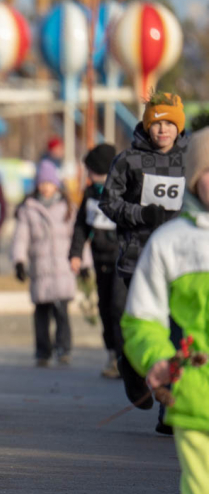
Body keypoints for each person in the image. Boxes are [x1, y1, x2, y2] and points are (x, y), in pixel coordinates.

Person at [121, 127, 209, 494]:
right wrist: (155, 358)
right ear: (195, 178)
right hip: (194, 399)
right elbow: (143, 316)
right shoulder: (171, 242)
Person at [99, 92, 190, 434]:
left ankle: (169, 412)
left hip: (181, 265)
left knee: (177, 337)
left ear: (179, 127)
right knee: (140, 330)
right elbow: (108, 202)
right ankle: (132, 368)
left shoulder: (192, 160)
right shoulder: (129, 160)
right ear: (147, 125)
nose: (163, 130)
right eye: (156, 124)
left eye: (169, 124)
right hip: (138, 261)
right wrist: (140, 214)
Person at [12, 160, 78, 367]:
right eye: (42, 183)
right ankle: (42, 352)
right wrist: (19, 261)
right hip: (40, 269)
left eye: (49, 183)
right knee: (41, 313)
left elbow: (77, 238)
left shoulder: (67, 207)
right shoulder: (29, 209)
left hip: (62, 269)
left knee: (62, 312)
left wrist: (83, 263)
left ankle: (64, 349)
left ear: (56, 184)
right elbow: (21, 238)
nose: (45, 187)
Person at [69, 144, 122, 378]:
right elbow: (81, 225)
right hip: (101, 260)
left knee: (119, 307)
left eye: (91, 170)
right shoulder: (91, 194)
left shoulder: (125, 190)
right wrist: (76, 254)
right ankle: (112, 354)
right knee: (105, 308)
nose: (88, 174)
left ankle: (124, 358)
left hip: (123, 260)